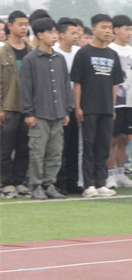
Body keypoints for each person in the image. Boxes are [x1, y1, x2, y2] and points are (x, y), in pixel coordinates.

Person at [71, 14, 125, 197]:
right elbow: (77, 82)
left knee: (103, 147)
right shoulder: (83, 53)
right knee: (88, 146)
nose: (107, 31)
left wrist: (113, 107)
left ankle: (101, 183)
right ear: (93, 29)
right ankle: (88, 185)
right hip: (88, 108)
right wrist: (78, 107)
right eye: (103, 27)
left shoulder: (112, 54)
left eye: (110, 27)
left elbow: (114, 84)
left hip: (106, 108)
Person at [19, 18, 72, 200]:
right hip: (39, 114)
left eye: (55, 32)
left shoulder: (60, 59)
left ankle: (49, 184)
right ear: (40, 35)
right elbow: (25, 88)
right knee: (37, 152)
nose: (54, 36)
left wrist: (67, 110)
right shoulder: (30, 59)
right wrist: (28, 112)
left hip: (58, 113)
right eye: (50, 32)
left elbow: (65, 85)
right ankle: (35, 185)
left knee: (55, 152)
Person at [1, 11, 32, 199]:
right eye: (20, 24)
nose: (24, 27)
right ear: (10, 26)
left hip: (27, 108)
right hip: (9, 107)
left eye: (26, 24)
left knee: (24, 147)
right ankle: (6, 183)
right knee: (5, 148)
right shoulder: (2, 51)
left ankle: (20, 181)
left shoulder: (31, 51)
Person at [107, 14, 132, 189]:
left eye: (131, 29)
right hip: (116, 102)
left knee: (124, 139)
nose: (129, 33)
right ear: (116, 30)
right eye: (126, 29)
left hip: (131, 101)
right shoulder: (110, 49)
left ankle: (121, 173)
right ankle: (110, 174)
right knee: (112, 139)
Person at [54, 18, 82, 195]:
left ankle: (72, 180)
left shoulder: (79, 53)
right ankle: (59, 181)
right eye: (72, 33)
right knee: (60, 147)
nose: (76, 36)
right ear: (61, 35)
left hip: (76, 105)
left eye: (78, 33)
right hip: (59, 105)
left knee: (73, 146)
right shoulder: (55, 53)